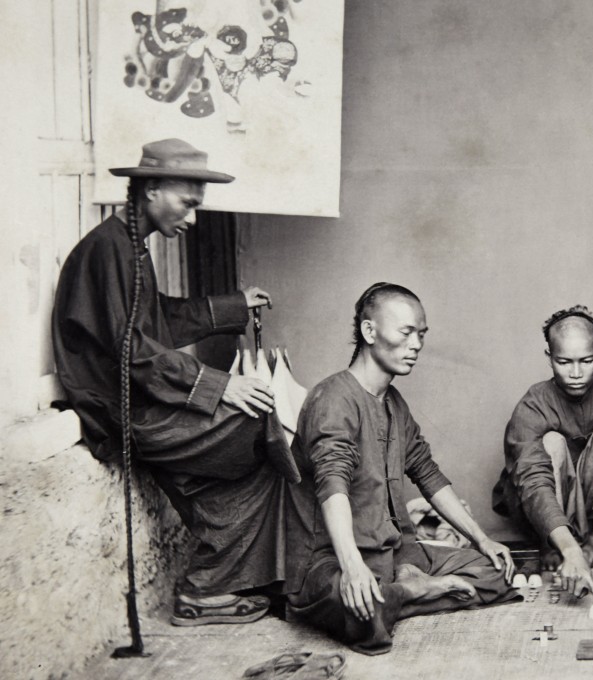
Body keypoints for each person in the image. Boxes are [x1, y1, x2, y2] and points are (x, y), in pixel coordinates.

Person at [52, 138, 300, 625]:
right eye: (187, 203)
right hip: (124, 414)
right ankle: (213, 584)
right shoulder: (109, 251)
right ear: (151, 189)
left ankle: (213, 585)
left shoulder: (129, 247)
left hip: (145, 404)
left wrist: (232, 306)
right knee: (264, 431)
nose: (191, 218)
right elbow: (135, 352)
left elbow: (157, 322)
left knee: (261, 443)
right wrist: (220, 387)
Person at [284, 283, 518, 655]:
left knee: (496, 576)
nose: (417, 345)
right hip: (330, 559)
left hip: (394, 555)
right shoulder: (332, 399)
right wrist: (352, 568)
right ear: (369, 331)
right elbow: (332, 486)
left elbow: (426, 473)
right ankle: (408, 593)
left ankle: (401, 592)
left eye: (421, 335)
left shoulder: (394, 402)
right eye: (406, 332)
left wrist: (481, 538)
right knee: (363, 615)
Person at [493, 306, 593, 596]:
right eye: (564, 362)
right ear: (549, 357)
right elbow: (532, 483)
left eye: (587, 360)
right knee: (552, 443)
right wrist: (562, 545)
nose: (576, 373)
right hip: (541, 509)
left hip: (590, 508)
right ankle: (553, 543)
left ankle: (591, 537)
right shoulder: (533, 404)